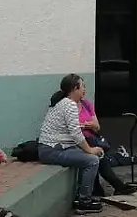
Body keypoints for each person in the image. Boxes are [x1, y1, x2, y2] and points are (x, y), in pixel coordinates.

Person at [37, 74, 106, 214]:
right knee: (92, 160)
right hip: (52, 150)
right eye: (82, 86)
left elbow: (72, 130)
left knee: (87, 157)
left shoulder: (63, 102)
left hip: (56, 148)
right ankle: (84, 202)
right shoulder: (69, 105)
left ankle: (81, 197)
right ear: (75, 88)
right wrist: (90, 150)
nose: (84, 90)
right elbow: (76, 135)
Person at [76, 97, 137, 198]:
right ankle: (114, 185)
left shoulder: (86, 104)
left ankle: (110, 186)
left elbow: (97, 127)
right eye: (80, 88)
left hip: (91, 139)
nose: (83, 90)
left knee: (101, 156)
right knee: (99, 157)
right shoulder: (68, 107)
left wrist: (89, 125)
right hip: (78, 141)